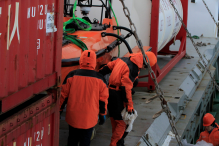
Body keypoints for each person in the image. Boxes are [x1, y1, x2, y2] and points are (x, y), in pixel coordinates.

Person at [99, 51, 157, 146]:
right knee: (123, 123)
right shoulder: (133, 68)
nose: (144, 68)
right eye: (146, 67)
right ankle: (115, 143)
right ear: (145, 62)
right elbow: (126, 88)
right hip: (118, 95)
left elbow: (107, 67)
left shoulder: (124, 59)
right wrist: (129, 105)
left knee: (115, 121)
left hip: (109, 92)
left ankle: (119, 143)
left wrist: (97, 74)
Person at [60, 50, 109, 146]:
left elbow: (63, 95)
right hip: (89, 118)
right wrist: (102, 114)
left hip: (73, 116)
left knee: (72, 139)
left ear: (81, 60)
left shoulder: (71, 75)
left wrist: (60, 110)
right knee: (85, 141)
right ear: (94, 62)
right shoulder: (100, 79)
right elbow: (103, 99)